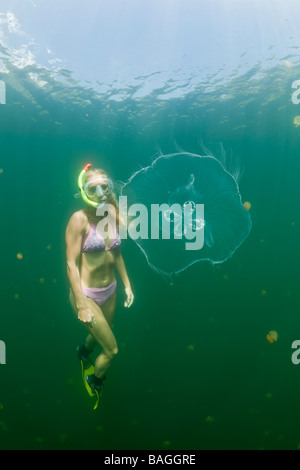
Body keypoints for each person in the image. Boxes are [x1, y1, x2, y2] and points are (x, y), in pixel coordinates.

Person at [65, 163, 134, 408]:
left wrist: (127, 285)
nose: (101, 193)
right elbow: (71, 265)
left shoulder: (110, 217)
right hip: (86, 294)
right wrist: (82, 304)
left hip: (111, 290)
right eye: (93, 189)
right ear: (83, 191)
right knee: (112, 350)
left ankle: (82, 352)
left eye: (106, 187)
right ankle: (94, 380)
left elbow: (116, 254)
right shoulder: (78, 219)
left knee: (108, 327)